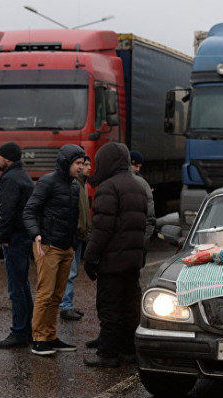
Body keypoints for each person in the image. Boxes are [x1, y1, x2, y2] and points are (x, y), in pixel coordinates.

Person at [82, 142, 147, 368]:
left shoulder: (108, 187)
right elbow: (144, 225)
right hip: (132, 260)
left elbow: (102, 229)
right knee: (129, 306)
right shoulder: (138, 186)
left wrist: (90, 257)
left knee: (109, 305)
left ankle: (107, 353)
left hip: (112, 260)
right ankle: (129, 351)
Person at [22, 144, 85, 356]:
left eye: (82, 163)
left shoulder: (74, 185)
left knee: (57, 295)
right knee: (45, 293)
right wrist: (36, 234)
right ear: (67, 163)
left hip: (66, 247)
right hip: (47, 246)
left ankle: (50, 335)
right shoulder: (48, 182)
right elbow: (30, 210)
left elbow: (74, 216)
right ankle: (39, 338)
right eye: (77, 163)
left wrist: (74, 242)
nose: (81, 167)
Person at [0, 142, 35, 349]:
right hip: (25, 235)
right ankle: (27, 330)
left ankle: (19, 331)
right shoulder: (23, 176)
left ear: (7, 158)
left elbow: (6, 210)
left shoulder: (10, 178)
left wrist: (4, 234)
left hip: (16, 238)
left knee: (16, 287)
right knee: (23, 284)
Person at [60, 155, 92, 321]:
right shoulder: (75, 184)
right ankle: (65, 306)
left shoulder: (82, 184)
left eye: (88, 164)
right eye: (83, 164)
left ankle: (68, 304)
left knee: (72, 271)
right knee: (69, 272)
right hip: (74, 236)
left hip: (79, 235)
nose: (88, 168)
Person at [129, 150, 156, 255]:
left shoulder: (139, 179)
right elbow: (150, 217)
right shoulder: (140, 182)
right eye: (136, 166)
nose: (138, 169)